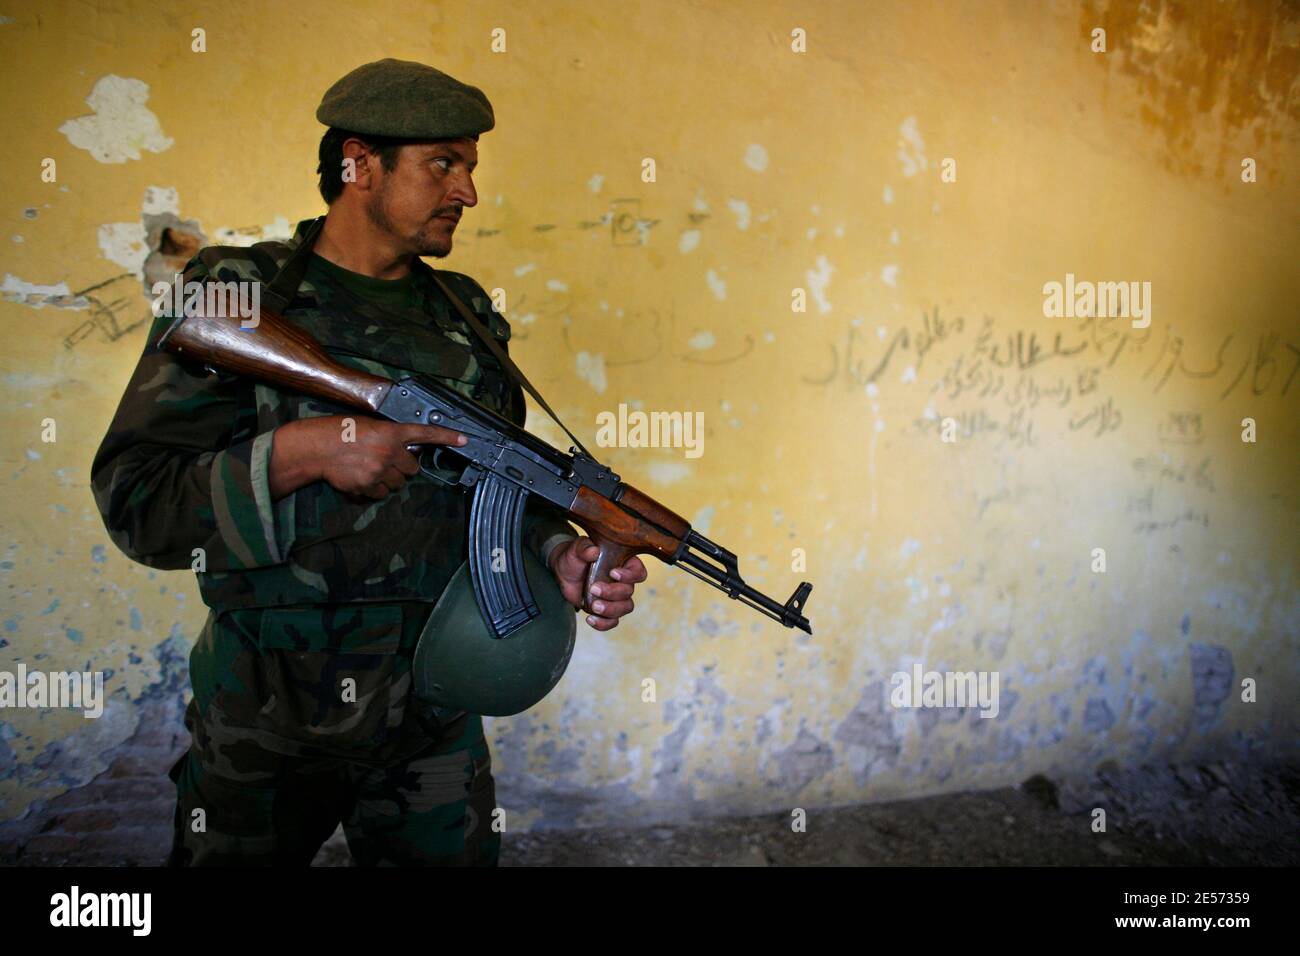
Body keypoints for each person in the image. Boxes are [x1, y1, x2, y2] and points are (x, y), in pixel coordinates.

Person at [90, 58, 647, 866]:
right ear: (358, 164)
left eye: (470, 168)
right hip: (265, 721)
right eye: (443, 165)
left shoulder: (469, 321)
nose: (467, 192)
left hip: (434, 719)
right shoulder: (242, 295)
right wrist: (299, 452)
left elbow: (499, 492)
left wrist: (558, 551)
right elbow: (139, 503)